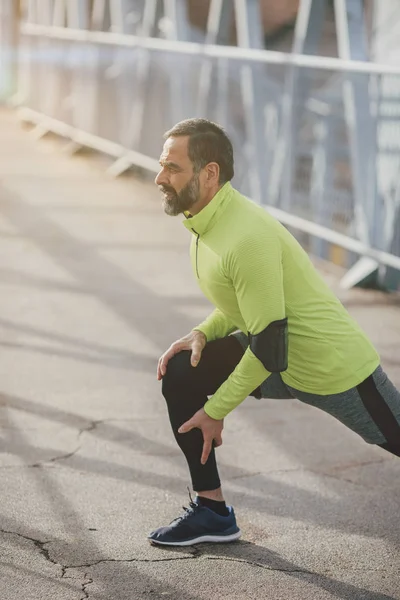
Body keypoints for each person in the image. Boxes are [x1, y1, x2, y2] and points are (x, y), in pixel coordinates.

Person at [147, 118, 400, 547]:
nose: (160, 178)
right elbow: (244, 305)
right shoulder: (206, 221)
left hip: (332, 367)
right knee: (182, 372)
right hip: (279, 355)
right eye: (162, 165)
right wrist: (203, 332)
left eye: (173, 167)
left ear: (209, 173)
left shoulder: (245, 235)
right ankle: (212, 511)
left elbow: (267, 345)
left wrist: (217, 409)